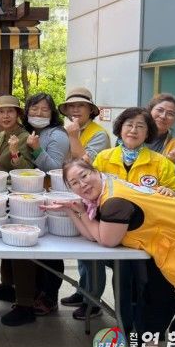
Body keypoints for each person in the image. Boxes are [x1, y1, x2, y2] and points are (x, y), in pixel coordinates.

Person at [45, 159, 175, 347]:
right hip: (163, 244)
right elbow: (93, 234)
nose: (82, 184)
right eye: (74, 183)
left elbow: (106, 239)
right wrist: (74, 209)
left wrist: (79, 211)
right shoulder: (103, 193)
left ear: (96, 171)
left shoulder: (114, 202)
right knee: (155, 298)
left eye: (84, 175)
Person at [92, 107, 175, 335]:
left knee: (146, 282)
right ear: (120, 129)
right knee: (123, 279)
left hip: (149, 234)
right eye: (129, 125)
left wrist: (171, 192)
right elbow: (92, 192)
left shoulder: (160, 162)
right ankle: (126, 326)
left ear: (148, 132)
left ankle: (146, 327)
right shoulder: (104, 158)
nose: (133, 130)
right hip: (115, 232)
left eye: (140, 126)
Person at [57, 88, 111, 320]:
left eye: (81, 105)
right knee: (83, 249)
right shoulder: (71, 129)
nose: (75, 109)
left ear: (91, 110)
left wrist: (73, 137)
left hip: (96, 197)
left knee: (93, 250)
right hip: (80, 196)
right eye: (71, 106)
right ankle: (83, 290)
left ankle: (93, 301)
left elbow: (84, 166)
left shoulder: (98, 134)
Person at [0, 96, 35, 324]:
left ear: (18, 114)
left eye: (10, 111)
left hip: (21, 199)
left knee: (20, 246)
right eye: (1, 112)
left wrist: (14, 154)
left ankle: (25, 304)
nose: (5, 116)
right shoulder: (1, 136)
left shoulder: (24, 137)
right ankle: (7, 286)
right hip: (5, 197)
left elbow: (27, 171)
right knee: (8, 242)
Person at [22, 92, 70, 316]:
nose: (38, 113)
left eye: (44, 109)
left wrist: (37, 148)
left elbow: (55, 167)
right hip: (30, 197)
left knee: (50, 249)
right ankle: (34, 292)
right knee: (34, 246)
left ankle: (49, 296)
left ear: (52, 113)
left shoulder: (56, 134)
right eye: (34, 109)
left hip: (51, 197)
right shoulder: (29, 131)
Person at [146, 93, 175, 175]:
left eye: (170, 114)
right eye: (160, 110)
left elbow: (174, 178)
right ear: (150, 111)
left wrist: (172, 161)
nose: (163, 116)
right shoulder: (132, 135)